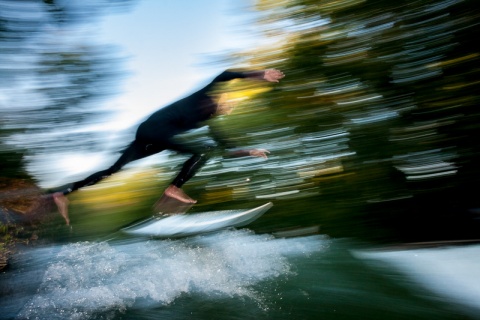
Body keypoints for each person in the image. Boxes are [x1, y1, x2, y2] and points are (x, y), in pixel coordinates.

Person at [51, 68, 285, 225]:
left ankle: (63, 193)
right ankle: (173, 189)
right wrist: (260, 74)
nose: (227, 108)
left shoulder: (210, 121)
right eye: (227, 104)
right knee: (203, 149)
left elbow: (225, 147)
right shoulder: (204, 96)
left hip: (149, 136)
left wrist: (250, 152)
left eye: (228, 109)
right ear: (219, 101)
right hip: (155, 130)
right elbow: (226, 74)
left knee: (114, 170)